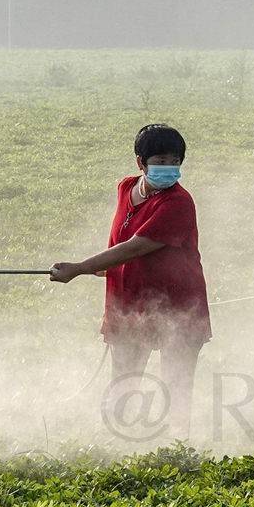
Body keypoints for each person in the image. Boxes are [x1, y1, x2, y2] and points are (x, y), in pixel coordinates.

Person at [50, 123, 210, 437]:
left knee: (175, 387)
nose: (169, 168)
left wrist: (80, 267)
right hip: (128, 302)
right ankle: (119, 444)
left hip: (179, 307)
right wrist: (105, 267)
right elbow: (120, 243)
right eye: (160, 161)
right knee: (123, 382)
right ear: (140, 162)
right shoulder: (126, 188)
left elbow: (137, 246)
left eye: (175, 161)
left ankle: (177, 450)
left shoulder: (178, 203)